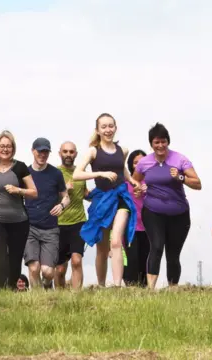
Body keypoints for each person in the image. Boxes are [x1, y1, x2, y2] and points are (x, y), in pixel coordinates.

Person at [132, 122, 202, 289]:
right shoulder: (145, 163)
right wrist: (138, 190)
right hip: (153, 211)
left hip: (179, 213)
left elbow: (198, 184)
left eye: (163, 141)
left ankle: (172, 288)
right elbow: (135, 180)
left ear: (168, 142)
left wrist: (180, 177)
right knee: (156, 247)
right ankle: (150, 289)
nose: (160, 145)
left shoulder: (180, 159)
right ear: (151, 144)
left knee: (173, 254)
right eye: (156, 142)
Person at [74, 113, 141, 287]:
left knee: (116, 240)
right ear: (97, 130)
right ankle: (102, 285)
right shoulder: (93, 151)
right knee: (102, 249)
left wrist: (132, 182)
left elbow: (122, 170)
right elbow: (77, 174)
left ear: (115, 128)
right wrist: (100, 173)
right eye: (103, 127)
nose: (108, 130)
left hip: (121, 198)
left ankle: (117, 285)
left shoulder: (123, 150)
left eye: (110, 126)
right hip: (102, 200)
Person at [0, 130, 38, 291]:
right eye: (2, 146)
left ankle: (12, 291)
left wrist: (18, 190)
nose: (5, 149)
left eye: (9, 146)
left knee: (14, 260)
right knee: (1, 261)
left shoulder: (20, 167)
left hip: (19, 221)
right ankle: (2, 293)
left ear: (13, 148)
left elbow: (34, 192)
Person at [23, 138, 70, 290]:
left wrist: (62, 205)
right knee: (34, 268)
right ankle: (37, 303)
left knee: (48, 272)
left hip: (50, 228)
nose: (42, 155)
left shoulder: (55, 174)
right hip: (30, 227)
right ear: (33, 151)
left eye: (46, 152)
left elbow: (66, 196)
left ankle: (47, 285)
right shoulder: (25, 174)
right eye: (40, 151)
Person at [54, 141, 90, 290]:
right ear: (59, 153)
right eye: (65, 151)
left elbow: (85, 193)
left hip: (79, 222)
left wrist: (101, 197)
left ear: (75, 154)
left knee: (76, 261)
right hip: (59, 223)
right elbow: (48, 197)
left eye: (71, 152)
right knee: (60, 269)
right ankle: (59, 298)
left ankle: (77, 298)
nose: (68, 154)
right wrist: (64, 191)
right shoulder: (54, 173)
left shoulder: (80, 172)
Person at [122, 149, 150, 287]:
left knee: (145, 262)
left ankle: (144, 293)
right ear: (130, 165)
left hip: (149, 229)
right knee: (131, 261)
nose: (139, 165)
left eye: (143, 162)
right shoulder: (125, 184)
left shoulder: (153, 182)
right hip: (130, 229)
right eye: (135, 162)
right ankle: (130, 290)